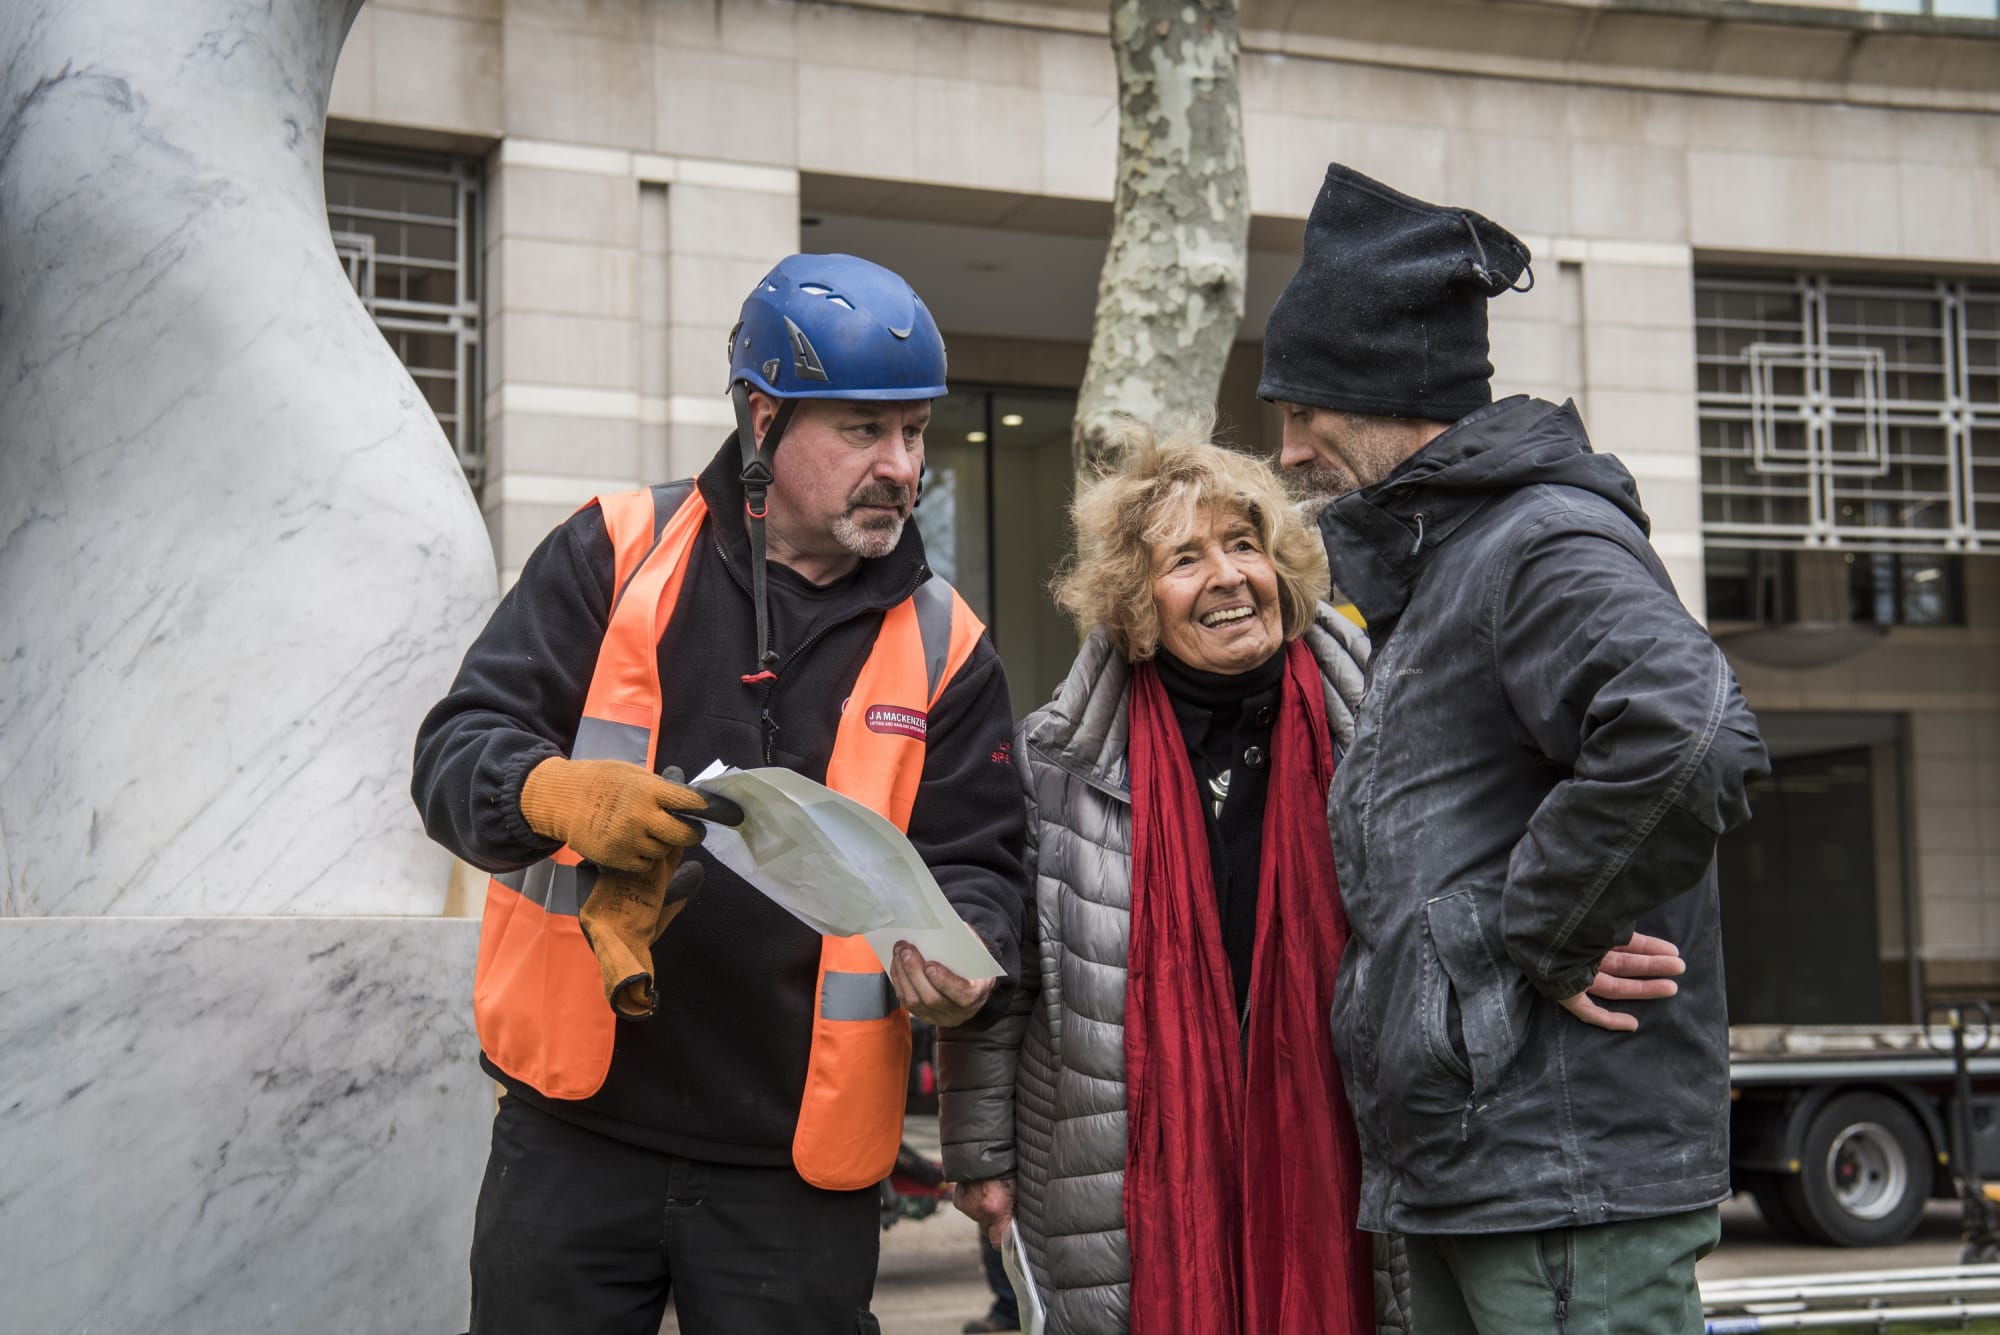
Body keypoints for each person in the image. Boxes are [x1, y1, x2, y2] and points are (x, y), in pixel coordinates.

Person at [412, 252, 1030, 1335]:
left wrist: (965, 953)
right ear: (761, 419)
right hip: (573, 1132)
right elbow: (453, 752)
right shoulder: (614, 551)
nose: (901, 465)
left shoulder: (949, 645)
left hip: (796, 1173)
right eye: (863, 429)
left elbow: (980, 863)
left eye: (915, 431)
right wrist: (549, 793)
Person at [1263, 163, 1771, 1334]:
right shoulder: (1455, 562)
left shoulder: (1534, 543)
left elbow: (1687, 733)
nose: (1287, 451)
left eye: (1300, 412)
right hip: (1490, 1174)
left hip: (1559, 1180)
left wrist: (1547, 925)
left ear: (1380, 391)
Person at [938, 425, 1384, 1334]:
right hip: (1114, 1163)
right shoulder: (1055, 762)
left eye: (1245, 544)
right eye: (1185, 558)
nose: (1227, 576)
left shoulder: (1379, 725)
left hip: (1346, 1163)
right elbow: (1006, 979)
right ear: (1137, 599)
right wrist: (979, 1154)